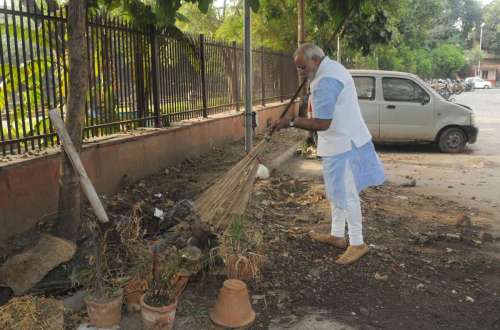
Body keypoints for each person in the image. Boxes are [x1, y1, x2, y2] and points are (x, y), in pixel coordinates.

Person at [272, 43, 385, 265]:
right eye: (298, 68)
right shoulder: (331, 68)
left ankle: (357, 242)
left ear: (315, 60)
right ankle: (336, 235)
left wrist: (290, 122)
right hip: (340, 142)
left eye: (302, 67)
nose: (300, 72)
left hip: (344, 144)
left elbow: (322, 123)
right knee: (337, 191)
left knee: (348, 194)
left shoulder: (325, 81)